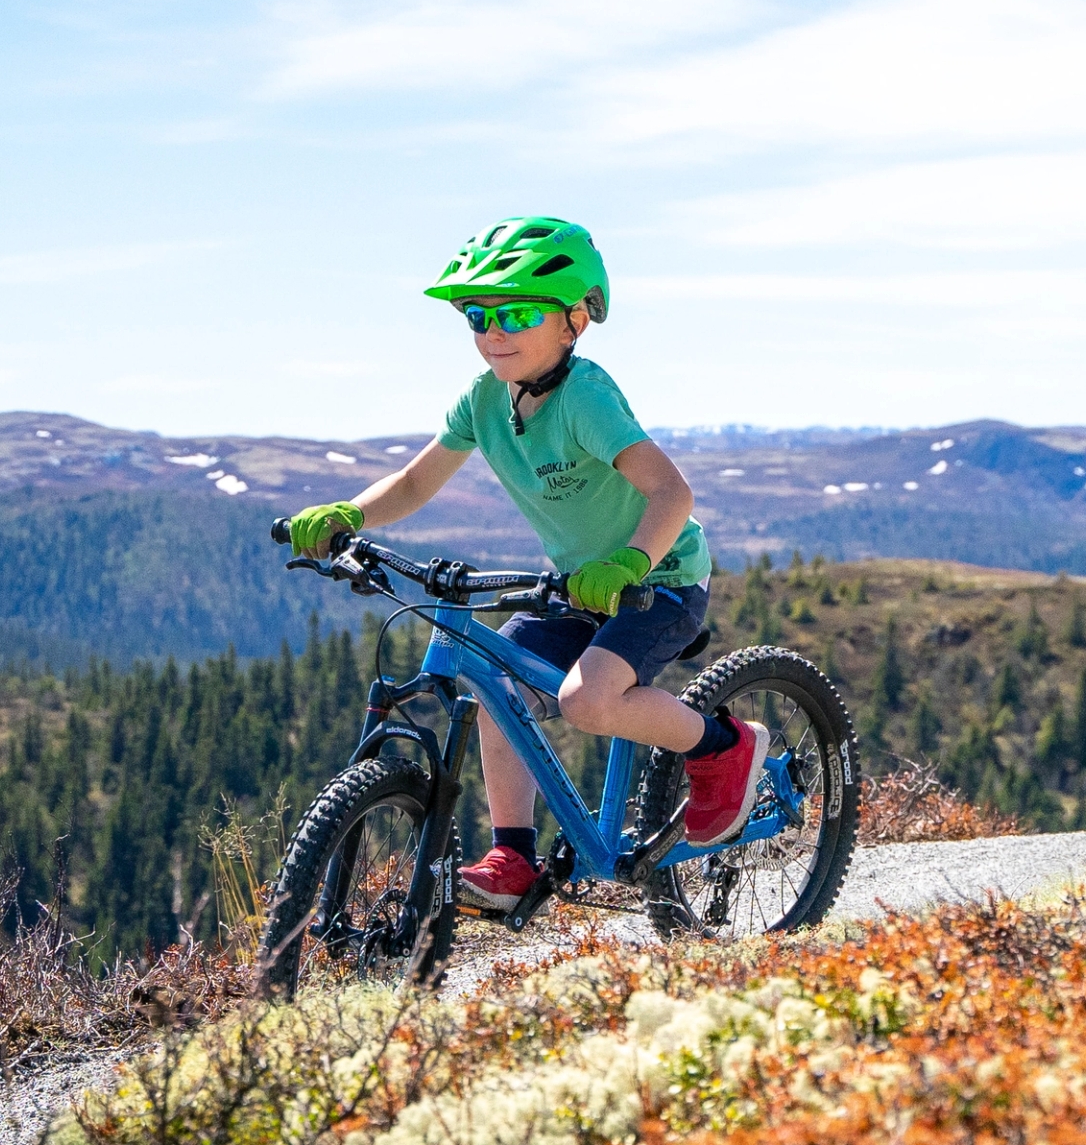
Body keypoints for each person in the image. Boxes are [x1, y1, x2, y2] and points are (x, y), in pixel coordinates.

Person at [280, 217, 763, 913]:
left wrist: (630, 561)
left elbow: (671, 491)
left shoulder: (585, 396)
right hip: (577, 587)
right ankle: (514, 856)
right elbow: (417, 483)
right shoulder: (483, 400)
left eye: (515, 313)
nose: (492, 331)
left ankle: (722, 744)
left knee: (588, 701)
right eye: (477, 315)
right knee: (495, 692)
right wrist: (351, 514)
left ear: (574, 320)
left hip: (659, 578)